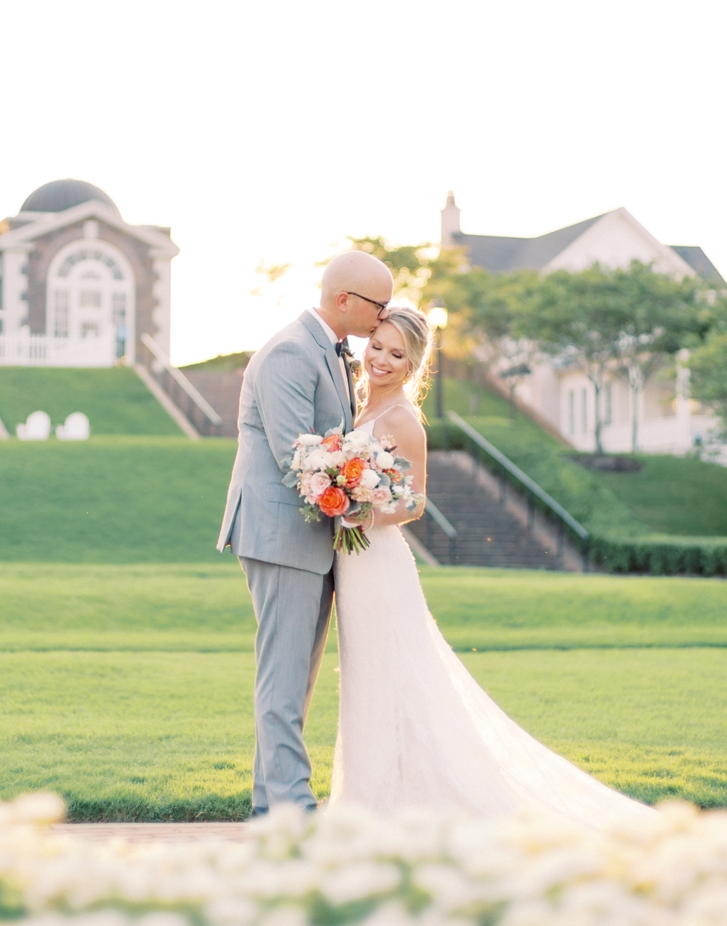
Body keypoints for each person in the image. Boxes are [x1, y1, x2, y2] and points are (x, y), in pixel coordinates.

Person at [328, 307, 655, 828]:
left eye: (397, 354)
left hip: (379, 566)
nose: (382, 360)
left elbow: (413, 504)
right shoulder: (360, 407)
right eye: (379, 347)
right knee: (368, 680)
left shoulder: (403, 422)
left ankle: (391, 807)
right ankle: (374, 799)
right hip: (354, 563)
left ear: (413, 366)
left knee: (393, 677)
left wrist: (355, 509)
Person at [217, 250, 396, 815]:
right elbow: (300, 459)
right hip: (280, 534)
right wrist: (363, 494)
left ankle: (271, 810)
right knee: (284, 681)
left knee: (293, 683)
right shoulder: (291, 353)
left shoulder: (330, 352)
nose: (384, 315)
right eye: (378, 304)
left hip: (308, 538)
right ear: (344, 299)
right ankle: (293, 811)